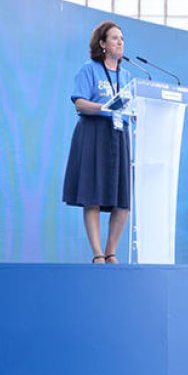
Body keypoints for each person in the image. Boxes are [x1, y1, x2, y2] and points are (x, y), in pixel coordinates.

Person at [62, 21, 133, 264]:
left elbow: (132, 107)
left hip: (119, 136)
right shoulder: (89, 69)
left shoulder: (127, 76)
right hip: (93, 133)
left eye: (122, 38)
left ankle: (111, 250)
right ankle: (98, 253)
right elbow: (79, 103)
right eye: (114, 38)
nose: (120, 42)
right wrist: (103, 107)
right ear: (102, 44)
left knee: (123, 198)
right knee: (92, 194)